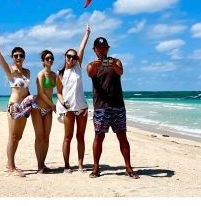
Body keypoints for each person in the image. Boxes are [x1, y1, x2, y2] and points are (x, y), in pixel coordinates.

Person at [86, 36, 138, 178]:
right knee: (99, 137)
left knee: (122, 137)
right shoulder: (91, 65)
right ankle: (96, 168)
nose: (101, 51)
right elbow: (90, 73)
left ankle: (128, 167)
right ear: (94, 50)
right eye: (98, 48)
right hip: (100, 107)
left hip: (117, 106)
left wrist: (112, 64)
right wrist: (98, 64)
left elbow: (120, 72)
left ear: (108, 48)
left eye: (104, 48)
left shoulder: (116, 61)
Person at [0, 23, 35, 176]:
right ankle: (11, 167)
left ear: (24, 57)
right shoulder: (10, 71)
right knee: (13, 136)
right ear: (13, 57)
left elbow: (27, 90)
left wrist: (32, 101)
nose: (18, 58)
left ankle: (9, 162)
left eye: (21, 55)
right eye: (15, 56)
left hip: (25, 106)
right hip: (14, 105)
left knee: (20, 136)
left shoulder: (28, 72)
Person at [56, 24, 91, 172]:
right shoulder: (60, 73)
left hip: (81, 106)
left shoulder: (78, 67)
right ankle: (66, 165)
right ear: (65, 57)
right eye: (69, 56)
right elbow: (58, 91)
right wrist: (63, 102)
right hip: (68, 108)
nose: (71, 58)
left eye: (73, 56)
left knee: (80, 136)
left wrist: (87, 34)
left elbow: (81, 48)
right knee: (68, 137)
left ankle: (81, 164)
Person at [33, 50, 57, 173]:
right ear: (43, 61)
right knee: (39, 137)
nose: (50, 60)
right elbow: (41, 93)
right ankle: (39, 166)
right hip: (38, 108)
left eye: (51, 58)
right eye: (47, 58)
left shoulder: (54, 75)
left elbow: (61, 89)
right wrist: (53, 104)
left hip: (48, 109)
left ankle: (43, 164)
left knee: (46, 137)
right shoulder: (40, 75)